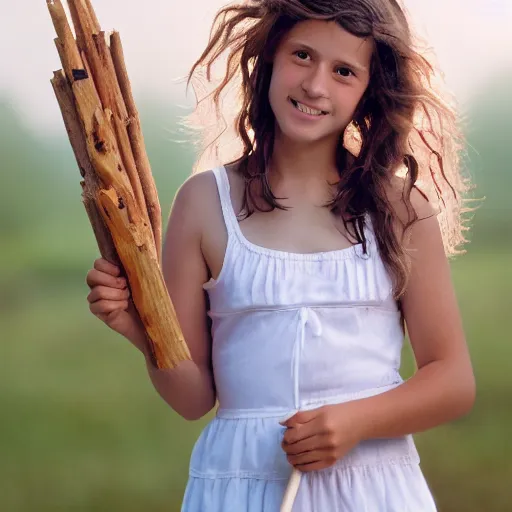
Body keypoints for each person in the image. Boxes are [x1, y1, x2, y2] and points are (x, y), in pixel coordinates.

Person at [86, 0, 476, 510]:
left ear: (369, 90)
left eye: (343, 71)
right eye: (302, 55)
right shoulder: (205, 204)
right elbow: (192, 398)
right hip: (239, 485)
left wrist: (356, 421)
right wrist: (138, 328)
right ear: (270, 54)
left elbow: (453, 380)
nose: (315, 85)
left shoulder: (401, 210)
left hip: (374, 488)